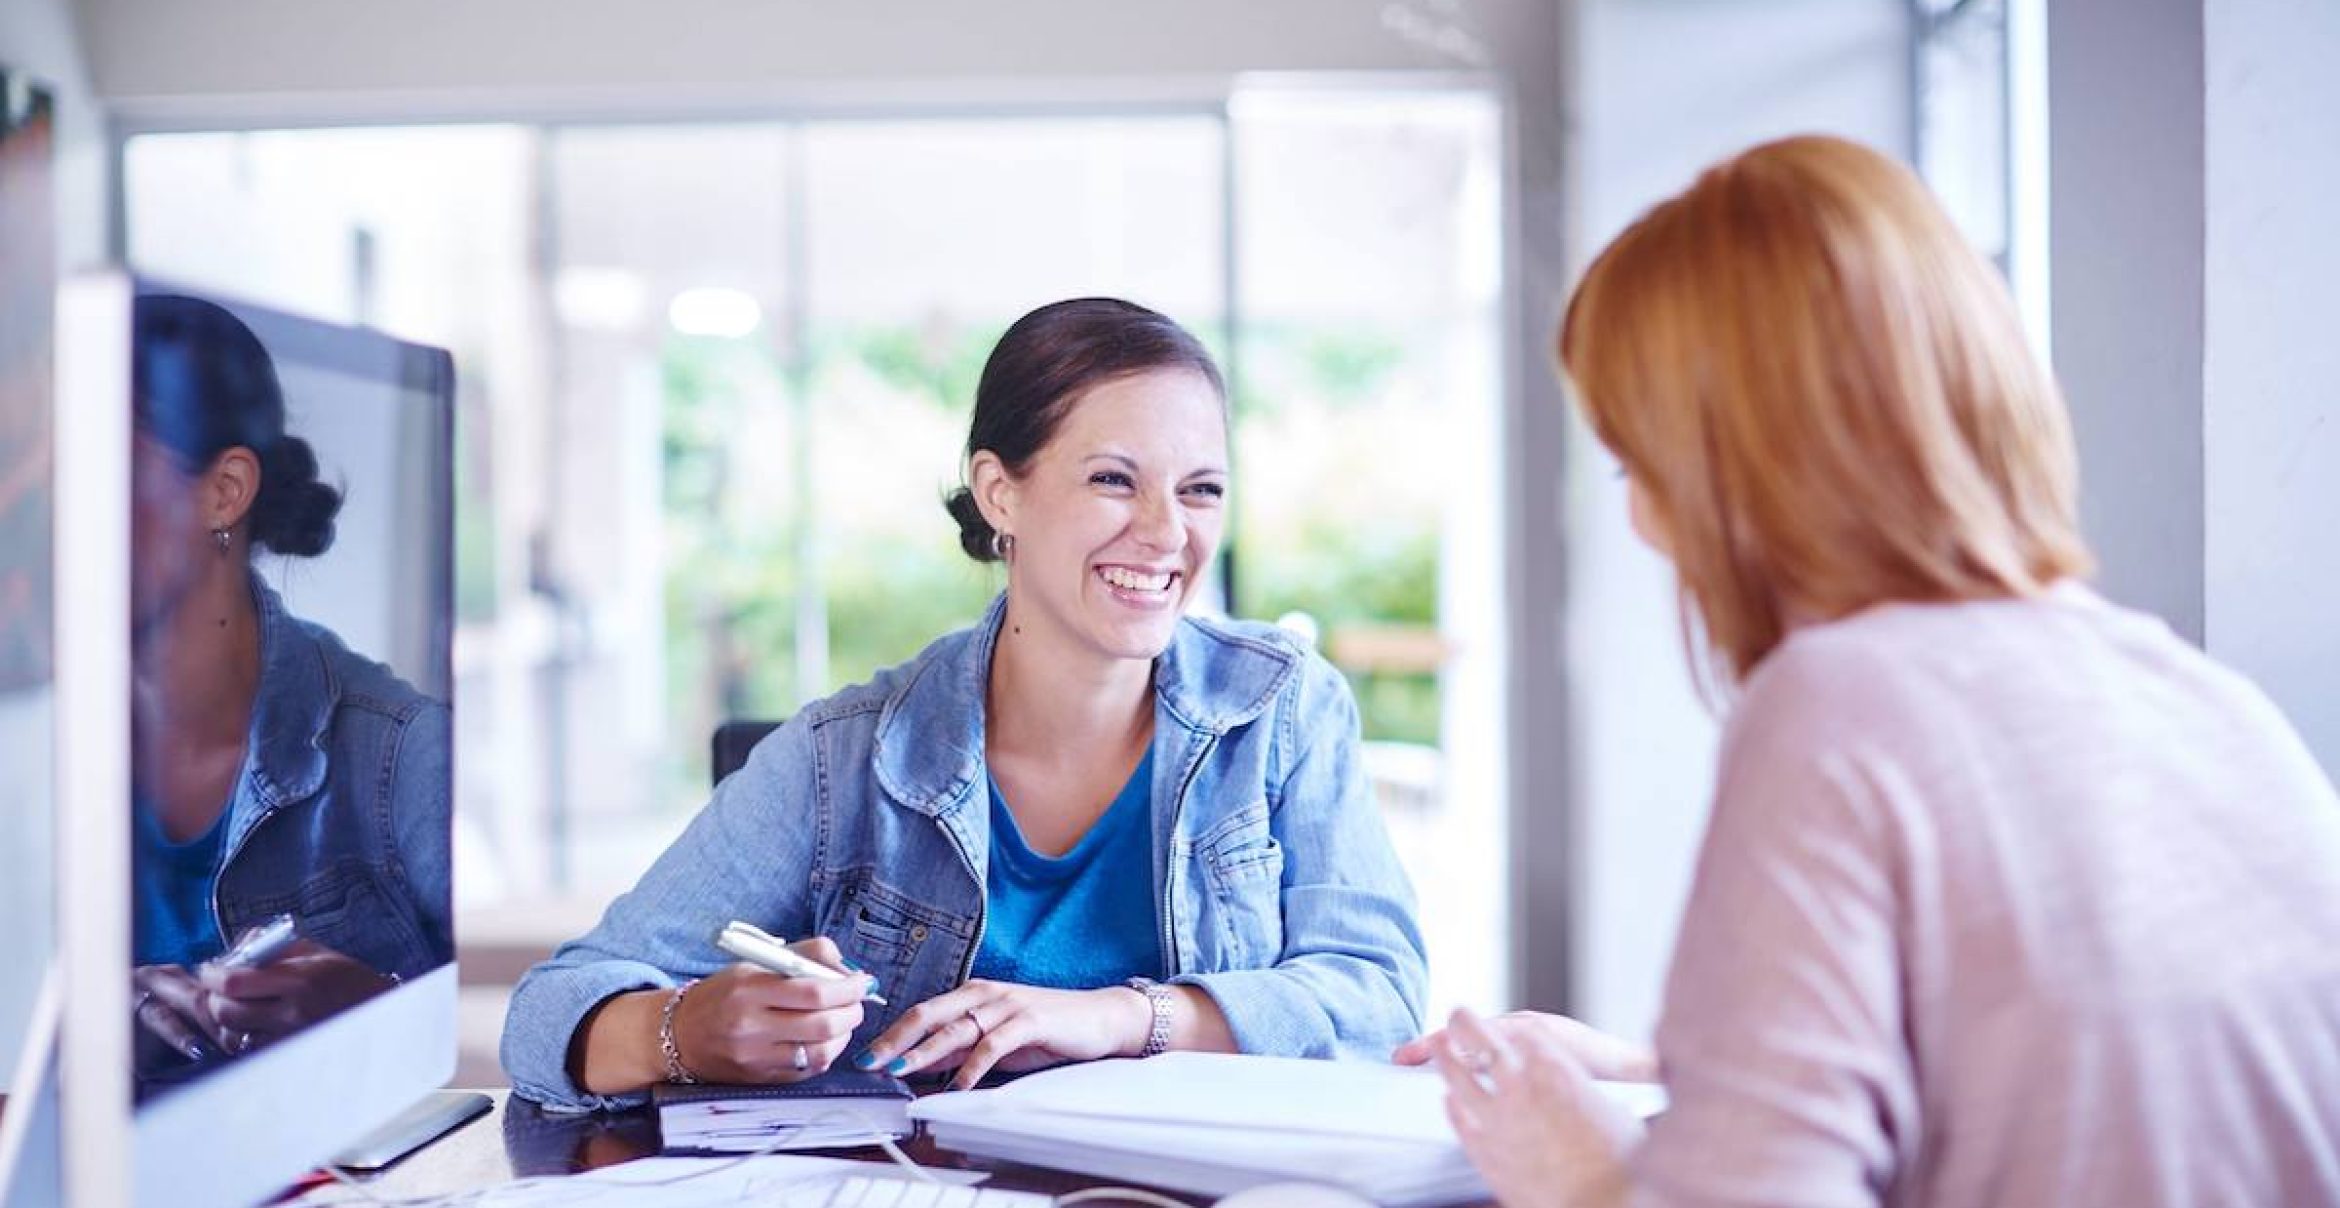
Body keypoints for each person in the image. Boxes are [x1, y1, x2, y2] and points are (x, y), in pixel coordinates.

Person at [1405, 135, 2340, 1206]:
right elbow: (2083, 1082)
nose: (1645, 521)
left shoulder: (1840, 705)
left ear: (1731, 465)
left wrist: (1582, 1172)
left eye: (1638, 460)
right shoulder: (2202, 700)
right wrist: (1693, 1073)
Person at [502, 297, 1428, 1111]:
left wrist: (1117, 1018)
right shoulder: (845, 757)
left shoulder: (1282, 708)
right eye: (1113, 478)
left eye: (1200, 490)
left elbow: (1379, 997)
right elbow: (547, 1016)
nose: (1165, 531)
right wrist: (682, 1029)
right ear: (1001, 493)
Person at [129, 294, 453, 1080]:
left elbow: (534, 1046)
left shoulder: (403, 753)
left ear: (224, 491)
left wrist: (378, 1009)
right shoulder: (32, 756)